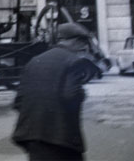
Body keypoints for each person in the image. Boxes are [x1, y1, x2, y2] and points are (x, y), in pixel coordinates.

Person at [12, 22, 99, 161]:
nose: (84, 47)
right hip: (61, 138)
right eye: (83, 42)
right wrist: (82, 94)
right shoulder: (74, 61)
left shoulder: (34, 61)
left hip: (31, 136)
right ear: (75, 41)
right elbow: (70, 96)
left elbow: (18, 101)